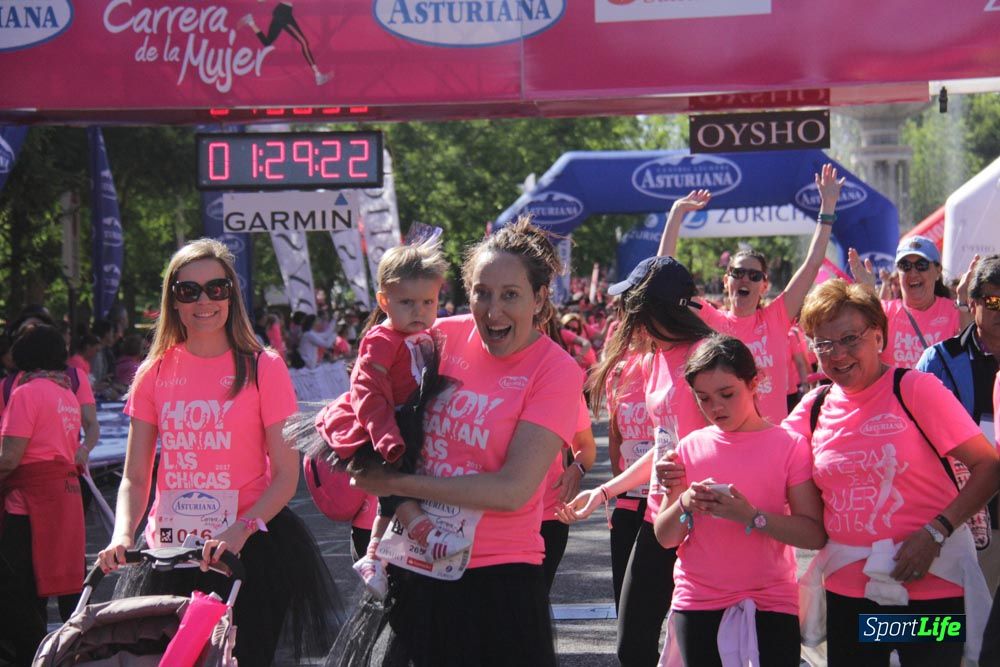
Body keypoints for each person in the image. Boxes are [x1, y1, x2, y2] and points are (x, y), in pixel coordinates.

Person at [334, 216, 584, 667]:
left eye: (511, 295)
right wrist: (359, 449)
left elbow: (512, 490)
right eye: (482, 293)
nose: (493, 311)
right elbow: (371, 391)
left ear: (540, 298)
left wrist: (396, 484)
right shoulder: (439, 337)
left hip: (499, 577)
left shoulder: (557, 372)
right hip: (416, 564)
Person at [96, 239, 339, 667]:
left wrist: (239, 531)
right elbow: (135, 477)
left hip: (248, 553)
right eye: (188, 291)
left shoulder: (263, 366)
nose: (203, 301)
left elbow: (285, 475)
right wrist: (121, 535)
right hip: (169, 553)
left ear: (232, 294)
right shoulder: (153, 372)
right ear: (173, 300)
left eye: (216, 288)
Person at [784, 279, 998, 666]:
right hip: (850, 596)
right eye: (824, 343)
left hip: (932, 592)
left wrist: (937, 531)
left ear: (878, 336)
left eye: (850, 339)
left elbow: (990, 466)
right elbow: (766, 459)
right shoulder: (814, 407)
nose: (837, 354)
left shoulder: (915, 389)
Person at [559, 255, 713, 667]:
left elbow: (736, 437)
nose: (623, 313)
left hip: (707, 522)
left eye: (630, 302)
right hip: (658, 515)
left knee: (701, 651)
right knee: (633, 646)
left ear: (649, 308)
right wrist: (605, 491)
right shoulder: (652, 360)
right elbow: (665, 446)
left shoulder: (708, 355)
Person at [651, 334, 825, 666]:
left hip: (771, 601)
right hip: (699, 600)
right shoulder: (689, 447)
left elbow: (813, 533)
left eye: (727, 394)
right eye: (703, 398)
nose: (716, 407)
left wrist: (752, 516)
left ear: (754, 382)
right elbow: (665, 537)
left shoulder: (789, 446)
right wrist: (685, 502)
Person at [314, 242, 469, 599]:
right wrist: (385, 436)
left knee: (391, 494)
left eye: (428, 303)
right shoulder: (382, 339)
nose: (419, 311)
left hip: (409, 421)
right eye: (407, 303)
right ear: (384, 302)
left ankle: (372, 556)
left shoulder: (424, 333)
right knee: (396, 486)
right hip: (384, 425)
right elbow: (367, 390)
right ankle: (425, 534)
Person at [656, 163, 844, 423]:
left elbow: (813, 263)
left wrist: (828, 207)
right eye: (738, 273)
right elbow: (663, 280)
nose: (745, 279)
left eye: (754, 276)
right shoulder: (710, 318)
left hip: (773, 442)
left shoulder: (777, 317)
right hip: (726, 444)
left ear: (764, 286)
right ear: (726, 281)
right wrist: (676, 213)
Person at [0, 325, 85, 666]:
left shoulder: (26, 392)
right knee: (55, 579)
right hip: (63, 498)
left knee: (16, 588)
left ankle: (30, 655)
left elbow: (9, 458)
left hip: (28, 505)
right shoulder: (65, 393)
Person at [916, 254, 1000, 590]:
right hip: (964, 513)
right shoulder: (939, 360)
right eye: (994, 300)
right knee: (972, 619)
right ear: (972, 301)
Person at [849, 236, 971, 369]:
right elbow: (858, 345)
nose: (913, 273)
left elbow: (969, 355)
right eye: (905, 266)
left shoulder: (955, 312)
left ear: (937, 271)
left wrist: (965, 300)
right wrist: (867, 293)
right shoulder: (884, 312)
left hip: (938, 390)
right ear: (898, 273)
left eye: (921, 265)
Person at [239, 1, 331, 85]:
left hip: (283, 12)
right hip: (283, 13)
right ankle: (318, 75)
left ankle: (250, 22)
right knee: (303, 42)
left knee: (267, 42)